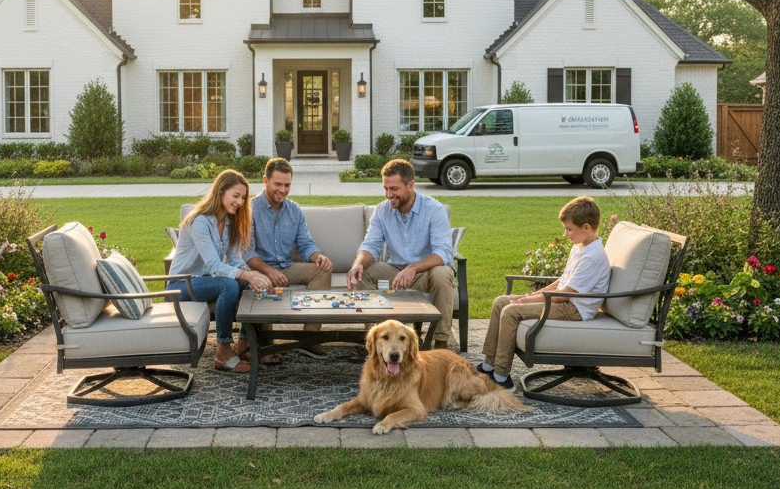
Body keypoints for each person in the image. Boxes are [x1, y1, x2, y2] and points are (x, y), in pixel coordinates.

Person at [478, 195, 611, 391]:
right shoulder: (580, 246)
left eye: (569, 229)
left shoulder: (592, 256)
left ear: (586, 227)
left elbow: (565, 295)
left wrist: (526, 301)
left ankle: (501, 377)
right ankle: (489, 365)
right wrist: (530, 297)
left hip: (575, 309)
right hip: (565, 301)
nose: (565, 234)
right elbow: (562, 281)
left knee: (511, 311)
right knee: (500, 302)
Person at [167, 169, 271, 373]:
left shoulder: (230, 221)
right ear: (221, 192)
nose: (240, 202)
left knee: (248, 283)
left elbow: (234, 260)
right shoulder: (199, 221)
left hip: (207, 280)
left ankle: (244, 343)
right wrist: (247, 275)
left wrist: (255, 277)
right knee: (229, 284)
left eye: (243, 198)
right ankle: (222, 352)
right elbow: (214, 265)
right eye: (236, 196)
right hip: (181, 285)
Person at [345, 158, 456, 349]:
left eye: (394, 189)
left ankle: (441, 341)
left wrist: (413, 268)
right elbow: (371, 246)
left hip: (425, 273)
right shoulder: (381, 211)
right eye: (386, 188)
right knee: (364, 273)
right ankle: (378, 338)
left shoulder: (434, 209)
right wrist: (358, 264)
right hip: (394, 272)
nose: (389, 194)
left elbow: (442, 252)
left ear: (410, 185)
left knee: (442, 273)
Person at [246, 157, 335, 358]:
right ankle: (266, 344)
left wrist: (318, 256)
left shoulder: (294, 210)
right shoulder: (250, 208)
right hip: (259, 269)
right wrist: (269, 271)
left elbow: (305, 244)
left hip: (287, 267)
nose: (283, 190)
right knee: (260, 283)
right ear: (266, 181)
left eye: (287, 185)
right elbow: (247, 252)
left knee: (322, 271)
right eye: (278, 184)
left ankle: (309, 340)